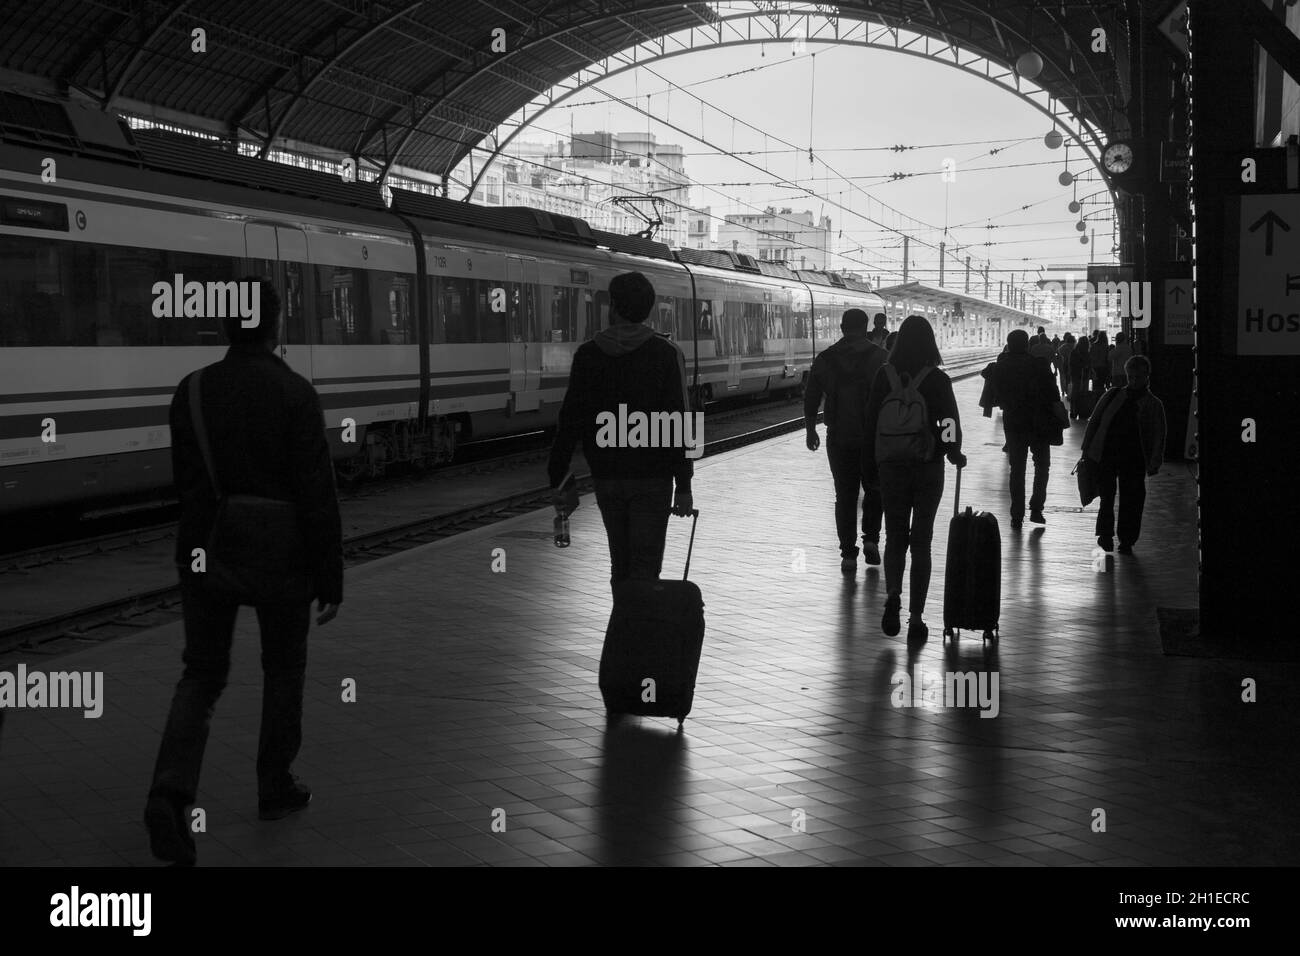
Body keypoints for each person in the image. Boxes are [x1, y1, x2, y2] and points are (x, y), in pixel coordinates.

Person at [146, 278, 343, 867]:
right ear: (276, 326)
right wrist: (330, 576)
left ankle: (169, 794)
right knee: (283, 669)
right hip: (283, 556)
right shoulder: (296, 393)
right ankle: (274, 786)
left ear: (225, 325)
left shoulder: (193, 389)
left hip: (207, 549)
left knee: (201, 676)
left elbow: (186, 483)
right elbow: (317, 494)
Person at [548, 272, 694, 585]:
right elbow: (682, 420)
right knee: (646, 567)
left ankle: (623, 628)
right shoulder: (667, 354)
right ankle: (638, 630)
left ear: (613, 307)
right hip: (653, 478)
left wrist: (558, 477)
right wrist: (683, 483)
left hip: (608, 477)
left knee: (621, 563)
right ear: (649, 309)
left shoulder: (588, 355)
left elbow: (570, 418)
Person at [862, 315, 966, 643]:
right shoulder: (937, 379)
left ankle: (893, 594)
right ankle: (917, 618)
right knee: (921, 541)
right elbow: (948, 421)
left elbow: (870, 422)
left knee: (894, 537)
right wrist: (952, 450)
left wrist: (870, 467)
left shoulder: (884, 375)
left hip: (891, 465)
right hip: (927, 465)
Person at [804, 308, 888, 573]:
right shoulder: (882, 358)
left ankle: (848, 554)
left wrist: (810, 429)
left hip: (839, 437)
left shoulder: (826, 358)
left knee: (845, 495)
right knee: (875, 489)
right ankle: (871, 539)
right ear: (867, 328)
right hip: (873, 438)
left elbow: (811, 397)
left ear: (841, 327)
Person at [1080, 355, 1167, 554]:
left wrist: (1155, 460)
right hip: (1108, 455)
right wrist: (1087, 449)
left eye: (1137, 377)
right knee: (1109, 496)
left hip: (1134, 458)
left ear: (1147, 376)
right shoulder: (1114, 394)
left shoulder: (1153, 405)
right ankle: (1106, 535)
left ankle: (1125, 539)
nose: (1133, 381)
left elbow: (1158, 435)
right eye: (1130, 377)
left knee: (1131, 498)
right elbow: (1095, 421)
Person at [989, 329, 1061, 530]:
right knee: (1042, 465)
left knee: (1017, 469)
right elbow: (1053, 392)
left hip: (1014, 423)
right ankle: (1037, 508)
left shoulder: (1000, 367)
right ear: (1027, 345)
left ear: (1009, 345)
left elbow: (995, 395)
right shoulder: (1038, 364)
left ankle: (1016, 515)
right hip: (1039, 422)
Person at [1068, 333, 1091, 419]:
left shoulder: (1074, 352)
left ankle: (1073, 412)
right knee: (1084, 394)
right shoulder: (1087, 353)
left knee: (1075, 393)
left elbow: (1071, 364)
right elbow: (1089, 363)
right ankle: (1083, 412)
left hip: (1075, 376)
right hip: (1084, 375)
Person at [1055, 332, 1075, 397]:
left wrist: (1064, 356)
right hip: (1072, 364)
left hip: (1065, 364)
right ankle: (1070, 391)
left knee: (1065, 378)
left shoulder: (1063, 345)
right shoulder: (1075, 346)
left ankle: (1066, 390)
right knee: (1071, 378)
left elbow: (1058, 351)